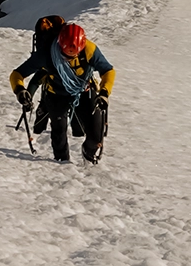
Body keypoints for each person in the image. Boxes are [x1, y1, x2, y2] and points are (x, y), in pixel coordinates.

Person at [10, 21, 115, 163]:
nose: (69, 58)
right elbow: (18, 74)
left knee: (96, 136)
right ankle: (62, 164)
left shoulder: (89, 49)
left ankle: (88, 154)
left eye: (73, 55)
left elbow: (108, 71)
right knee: (59, 133)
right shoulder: (46, 53)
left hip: (84, 91)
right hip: (56, 95)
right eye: (65, 55)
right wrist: (20, 90)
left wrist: (104, 93)